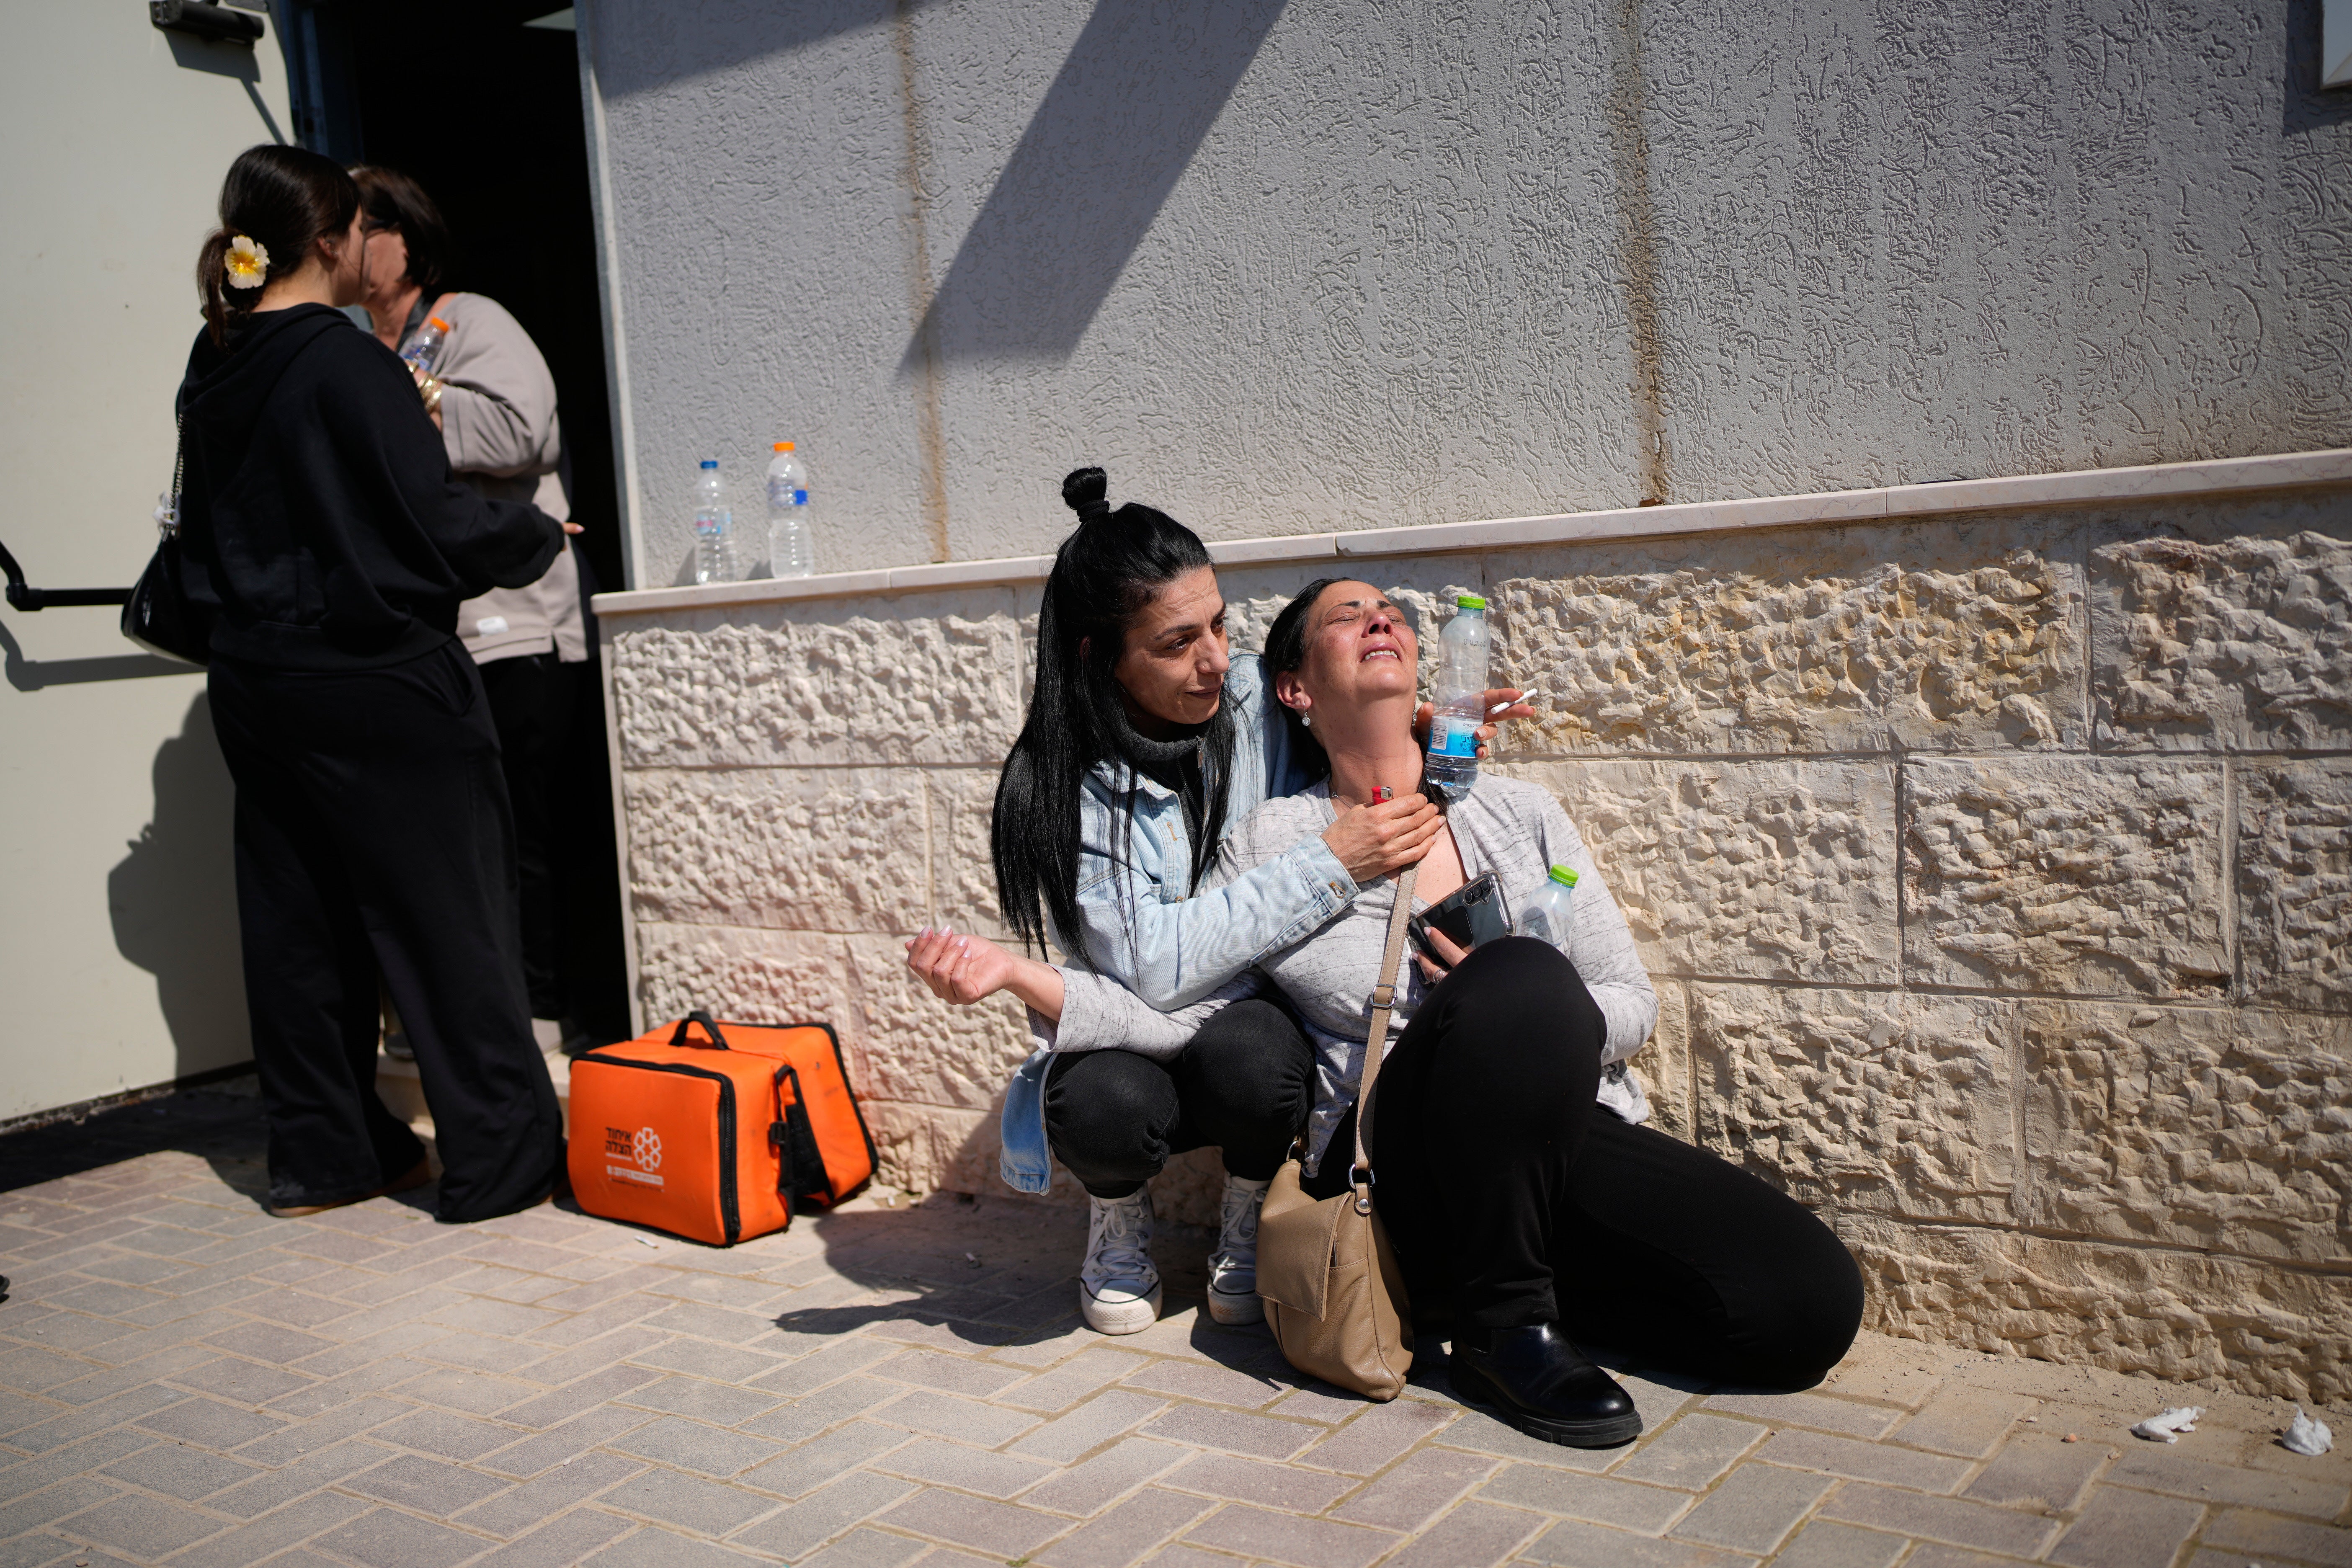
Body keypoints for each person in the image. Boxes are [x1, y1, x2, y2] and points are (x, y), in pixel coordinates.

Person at [910, 578, 1865, 1447]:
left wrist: (1523, 1022)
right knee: (1518, 976)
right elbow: (1190, 1017)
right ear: (1294, 689)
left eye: (1393, 613)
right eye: (1347, 615)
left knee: (1805, 1309)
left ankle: (1512, 1287)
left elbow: (1632, 1005)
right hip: (1399, 1163)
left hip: (1561, 1135)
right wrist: (1022, 978)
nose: (1381, 619)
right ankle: (1504, 1332)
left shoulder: (1521, 813)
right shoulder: (1274, 843)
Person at [937, 469, 1523, 1335]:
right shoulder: (1068, 792)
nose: (1215, 658)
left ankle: (1251, 1208)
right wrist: (1330, 862)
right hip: (1131, 1030)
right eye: (1178, 643)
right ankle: (1118, 1216)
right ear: (1101, 658)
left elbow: (1330, 710)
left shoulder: (1247, 698)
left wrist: (1426, 722)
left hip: (1238, 1034)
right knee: (1096, 1102)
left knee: (1261, 1052)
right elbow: (1157, 971)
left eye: (1217, 623)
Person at [179, 144, 576, 1222]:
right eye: (358, 227)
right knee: (451, 920)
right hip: (377, 676)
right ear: (327, 241)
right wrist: (537, 535)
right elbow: (431, 517)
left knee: (297, 927)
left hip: (255, 681)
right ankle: (503, 1160)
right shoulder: (349, 363)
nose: (368, 243)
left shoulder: (215, 358)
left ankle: (328, 1159)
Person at [351, 166, 585, 1052]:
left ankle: (542, 1018)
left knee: (522, 838)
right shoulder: (348, 344)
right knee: (441, 842)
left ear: (403, 240)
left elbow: (522, 431)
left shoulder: (468, 321)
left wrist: (402, 399)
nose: (340, 243)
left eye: (358, 226)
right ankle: (461, 1020)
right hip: (418, 639)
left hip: (516, 626)